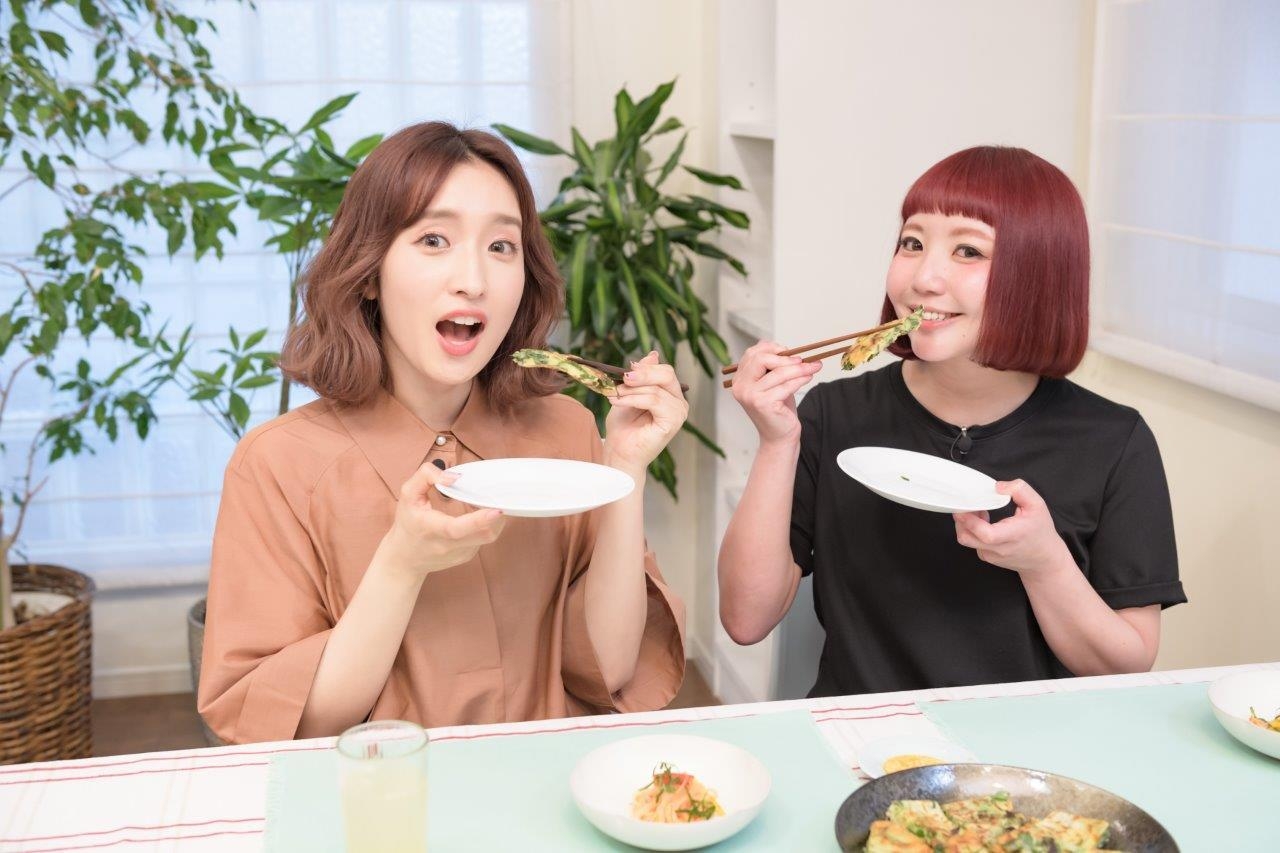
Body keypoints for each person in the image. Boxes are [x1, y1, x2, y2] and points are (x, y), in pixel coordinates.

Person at [199, 122, 687, 743]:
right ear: (368, 272)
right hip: (385, 797)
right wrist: (402, 565)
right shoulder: (278, 464)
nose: (474, 280)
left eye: (501, 246)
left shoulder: (566, 432)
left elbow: (608, 670)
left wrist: (626, 468)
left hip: (554, 784)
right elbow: (296, 725)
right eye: (434, 240)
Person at [717, 146, 1185, 698]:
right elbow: (745, 620)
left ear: (1039, 276)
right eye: (912, 243)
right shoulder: (833, 413)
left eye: (968, 250)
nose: (924, 278)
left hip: (1026, 744)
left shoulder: (1113, 441)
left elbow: (1125, 667)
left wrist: (1044, 563)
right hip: (858, 733)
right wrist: (777, 444)